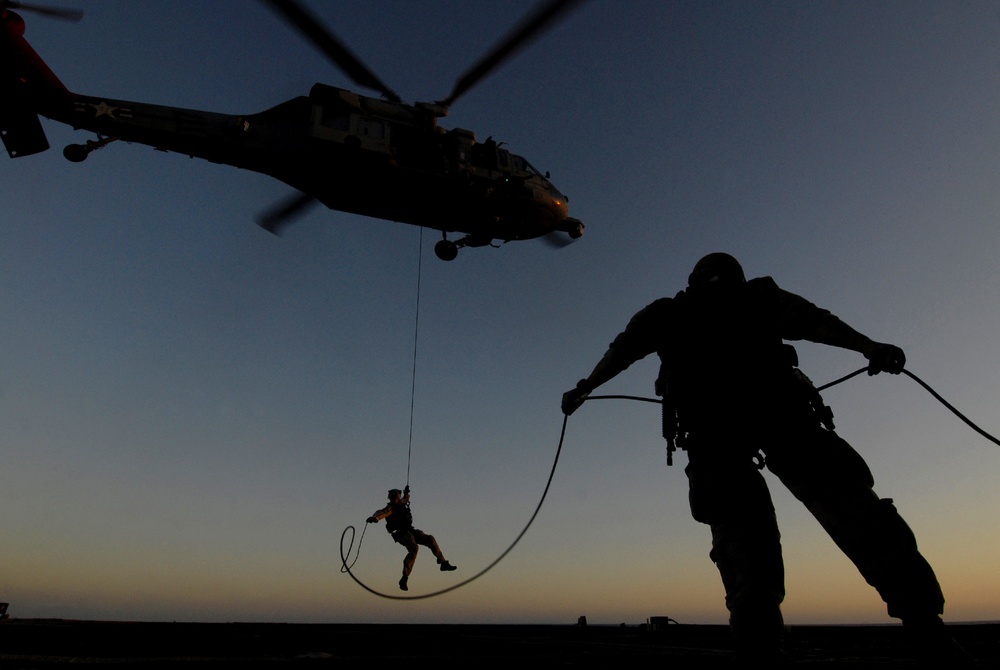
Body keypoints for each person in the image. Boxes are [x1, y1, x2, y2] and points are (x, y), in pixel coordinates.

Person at [561, 253, 969, 663]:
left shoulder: (683, 310)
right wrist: (868, 346)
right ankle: (921, 631)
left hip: (748, 430)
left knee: (792, 531)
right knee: (835, 519)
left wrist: (585, 387)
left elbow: (621, 351)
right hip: (757, 428)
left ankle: (769, 650)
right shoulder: (744, 298)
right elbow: (813, 321)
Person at [367, 486, 457, 591]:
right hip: (401, 533)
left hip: (411, 530)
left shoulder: (401, 502)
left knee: (430, 539)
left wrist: (406, 493)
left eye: (397, 498)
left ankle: (443, 563)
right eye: (394, 498)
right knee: (414, 548)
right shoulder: (390, 508)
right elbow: (381, 512)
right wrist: (374, 518)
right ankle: (404, 577)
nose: (396, 500)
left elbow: (406, 499)